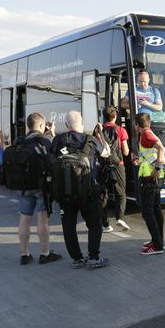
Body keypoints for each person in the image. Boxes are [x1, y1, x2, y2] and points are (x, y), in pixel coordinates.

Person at [50, 111, 111, 269]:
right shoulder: (90, 140)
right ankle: (93, 257)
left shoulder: (58, 139)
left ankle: (77, 259)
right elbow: (107, 153)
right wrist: (101, 136)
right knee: (94, 224)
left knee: (69, 227)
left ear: (66, 126)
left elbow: (51, 158)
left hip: (64, 194)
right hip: (88, 191)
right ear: (82, 124)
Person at [15, 113, 61, 265]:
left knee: (24, 218)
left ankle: (25, 254)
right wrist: (52, 135)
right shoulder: (45, 142)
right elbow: (54, 159)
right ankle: (44, 253)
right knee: (42, 220)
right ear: (42, 126)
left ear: (28, 126)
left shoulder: (19, 141)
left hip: (23, 187)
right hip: (41, 187)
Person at [135, 112, 165, 255]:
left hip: (150, 178)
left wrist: (157, 168)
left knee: (147, 212)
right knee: (155, 209)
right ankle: (158, 240)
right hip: (154, 177)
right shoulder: (150, 133)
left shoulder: (146, 135)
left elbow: (161, 148)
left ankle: (157, 245)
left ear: (136, 125)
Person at [100, 106, 130, 233]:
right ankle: (120, 218)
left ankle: (105, 224)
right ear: (115, 116)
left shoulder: (99, 129)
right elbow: (126, 152)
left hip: (102, 165)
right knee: (121, 193)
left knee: (103, 195)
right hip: (118, 164)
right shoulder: (121, 130)